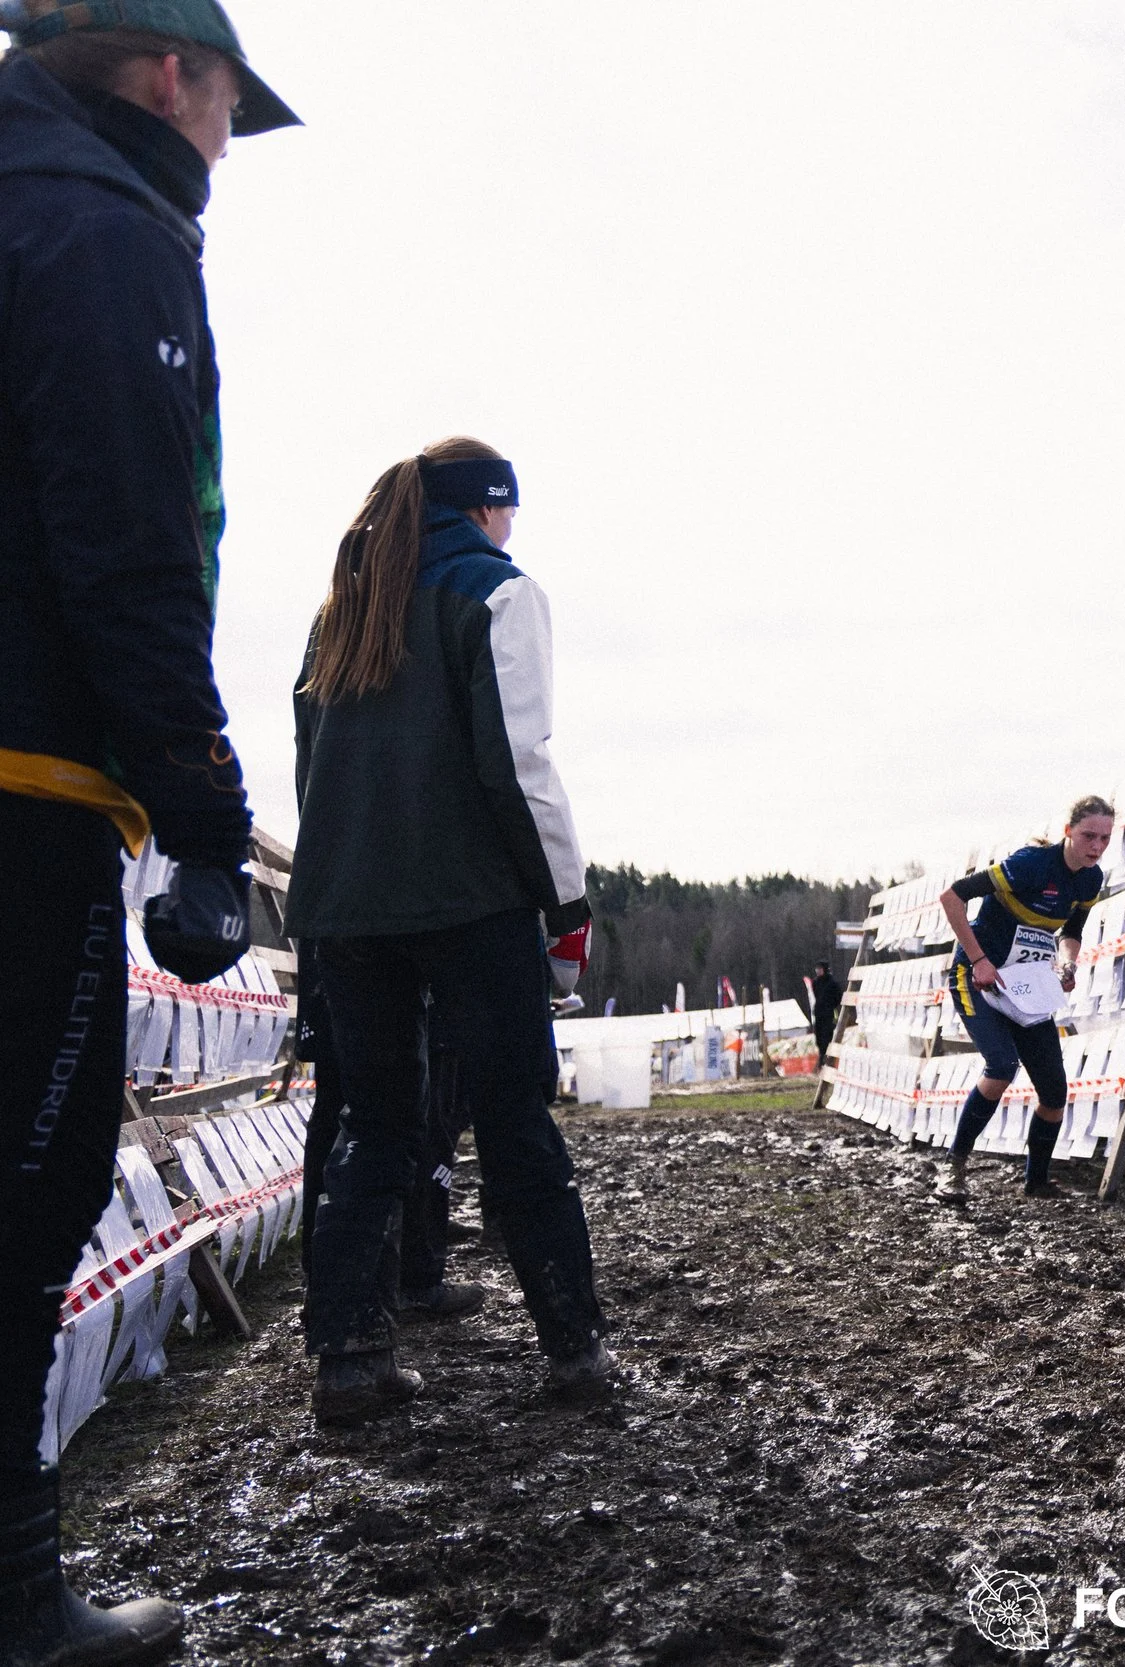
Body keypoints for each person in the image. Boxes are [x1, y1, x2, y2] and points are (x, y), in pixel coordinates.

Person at [0, 5, 296, 1661]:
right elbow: (125, 535)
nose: (226, 155)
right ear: (173, 73)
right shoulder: (104, 231)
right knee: (27, 1194)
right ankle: (14, 1603)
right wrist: (202, 812)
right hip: (23, 786)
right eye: (232, 115)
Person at [288, 437, 608, 1423]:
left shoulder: (338, 616)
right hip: (469, 897)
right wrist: (566, 900)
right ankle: (571, 1345)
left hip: (345, 908)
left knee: (369, 1125)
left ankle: (347, 1354)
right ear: (489, 507)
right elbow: (518, 763)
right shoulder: (499, 593)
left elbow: (311, 775)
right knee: (516, 1114)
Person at [933, 799, 1114, 1202]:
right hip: (978, 979)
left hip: (1025, 988)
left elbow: (1073, 930)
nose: (1096, 846)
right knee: (1001, 1066)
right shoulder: (1032, 864)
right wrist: (978, 959)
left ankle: (1037, 1181)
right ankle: (954, 1168)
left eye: (1104, 838)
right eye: (1088, 836)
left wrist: (1067, 963)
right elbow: (951, 897)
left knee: (1054, 1092)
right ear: (1068, 831)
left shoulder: (1090, 878)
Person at [806, 958, 840, 1063]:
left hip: (829, 1014)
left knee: (827, 1036)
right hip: (819, 1013)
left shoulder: (832, 983)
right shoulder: (815, 983)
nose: (817, 971)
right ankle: (821, 1055)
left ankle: (825, 1058)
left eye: (820, 968)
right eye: (817, 968)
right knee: (819, 1037)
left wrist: (831, 1005)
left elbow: (838, 996)